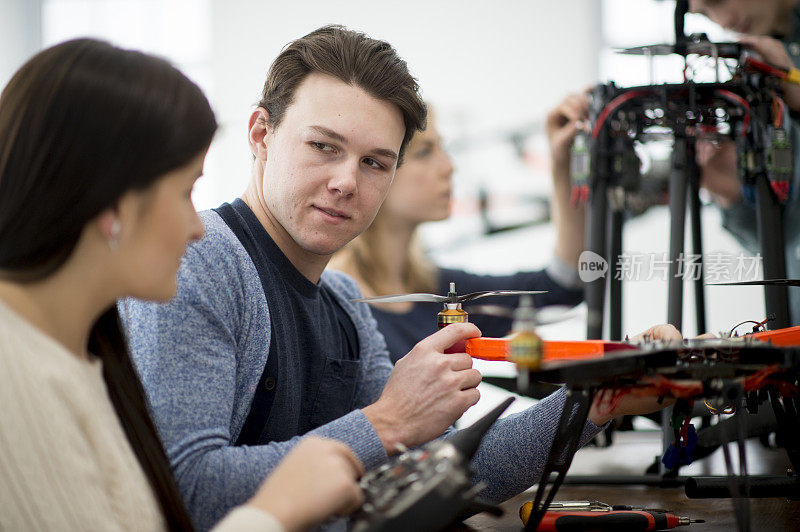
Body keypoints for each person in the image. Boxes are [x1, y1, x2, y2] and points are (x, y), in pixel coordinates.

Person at [119, 25, 679, 531]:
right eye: (323, 146)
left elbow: (442, 473)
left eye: (374, 162)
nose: (345, 181)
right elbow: (186, 491)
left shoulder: (342, 301)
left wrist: (595, 401)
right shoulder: (205, 260)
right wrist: (385, 420)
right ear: (261, 133)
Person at [0, 38, 363, 532]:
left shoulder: (82, 354)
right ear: (113, 203)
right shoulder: (15, 378)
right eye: (184, 191)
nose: (195, 227)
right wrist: (275, 511)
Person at [328, 95, 589, 362]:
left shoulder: (440, 291)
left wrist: (562, 162)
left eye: (443, 148)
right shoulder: (334, 304)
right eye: (425, 152)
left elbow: (562, 285)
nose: (450, 167)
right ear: (377, 169)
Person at [689, 0, 800, 322]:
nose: (723, 20)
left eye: (718, 0)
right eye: (706, 14)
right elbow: (785, 246)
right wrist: (735, 197)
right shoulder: (762, 66)